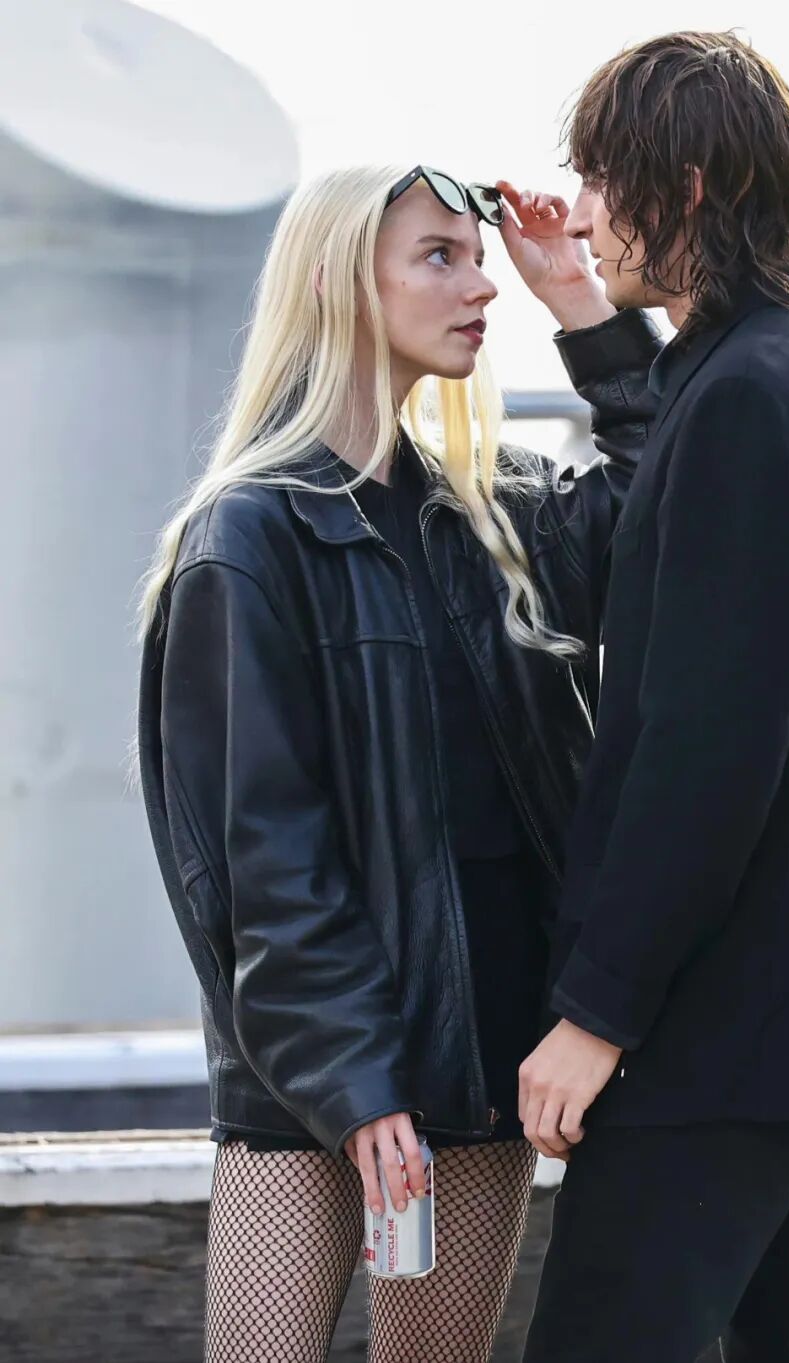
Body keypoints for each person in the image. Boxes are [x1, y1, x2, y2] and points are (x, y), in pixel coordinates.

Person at [136, 162, 661, 1363]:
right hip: (308, 1081)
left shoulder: (497, 514)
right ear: (338, 282)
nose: (483, 286)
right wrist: (357, 1081)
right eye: (440, 257)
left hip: (484, 1064)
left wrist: (580, 302)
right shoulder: (249, 539)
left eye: (478, 257)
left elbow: (675, 507)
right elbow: (264, 860)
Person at [517, 31, 789, 1363]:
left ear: (688, 185)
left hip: (724, 1034)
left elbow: (710, 747)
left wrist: (598, 1011)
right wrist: (588, 319)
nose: (585, 210)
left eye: (605, 176)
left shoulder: (749, 400)